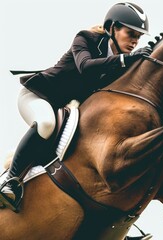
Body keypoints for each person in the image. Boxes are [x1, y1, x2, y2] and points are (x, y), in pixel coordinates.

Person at [0, 2, 152, 211]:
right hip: (36, 96)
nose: (135, 41)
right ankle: (11, 180)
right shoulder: (86, 39)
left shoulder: (120, 64)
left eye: (139, 37)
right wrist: (126, 60)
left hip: (65, 110)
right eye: (130, 33)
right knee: (46, 124)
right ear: (112, 28)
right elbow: (85, 67)